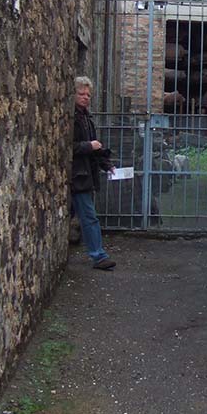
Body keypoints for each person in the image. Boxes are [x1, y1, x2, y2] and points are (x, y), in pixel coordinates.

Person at [71, 77, 116, 270]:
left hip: (83, 175)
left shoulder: (86, 118)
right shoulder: (74, 118)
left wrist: (107, 165)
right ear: (73, 94)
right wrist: (89, 146)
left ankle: (97, 254)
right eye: (81, 94)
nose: (85, 97)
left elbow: (95, 149)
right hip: (78, 176)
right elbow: (68, 146)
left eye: (88, 95)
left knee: (83, 215)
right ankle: (99, 256)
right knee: (89, 217)